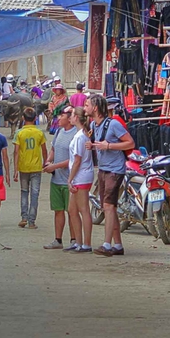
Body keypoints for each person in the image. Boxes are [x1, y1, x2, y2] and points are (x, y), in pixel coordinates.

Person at [84, 94, 135, 257]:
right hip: (104, 168)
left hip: (115, 169)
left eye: (87, 105)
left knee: (108, 206)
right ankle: (118, 245)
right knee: (108, 207)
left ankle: (107, 244)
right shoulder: (94, 124)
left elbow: (130, 143)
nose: (85, 107)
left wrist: (109, 145)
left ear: (96, 108)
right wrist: (93, 146)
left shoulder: (113, 124)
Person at [42, 107, 77, 249]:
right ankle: (58, 239)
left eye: (61, 116)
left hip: (70, 180)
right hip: (56, 179)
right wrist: (48, 161)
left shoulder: (77, 135)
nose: (58, 119)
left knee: (72, 212)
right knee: (58, 210)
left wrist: (54, 166)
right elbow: (53, 149)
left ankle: (74, 239)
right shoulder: (58, 132)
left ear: (69, 119)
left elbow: (74, 159)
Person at [64, 106, 95, 253]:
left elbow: (77, 160)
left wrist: (69, 179)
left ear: (76, 117)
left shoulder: (80, 137)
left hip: (80, 175)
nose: (69, 117)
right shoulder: (82, 135)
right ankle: (78, 241)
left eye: (71, 115)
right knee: (73, 209)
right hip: (80, 175)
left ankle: (86, 243)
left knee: (83, 209)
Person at [13, 107, 47, 229]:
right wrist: (45, 163)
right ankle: (31, 221)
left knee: (24, 192)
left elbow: (16, 152)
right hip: (36, 167)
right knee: (35, 193)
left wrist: (15, 169)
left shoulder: (19, 133)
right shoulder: (39, 133)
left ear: (23, 118)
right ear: (35, 119)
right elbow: (44, 150)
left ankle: (24, 217)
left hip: (23, 167)